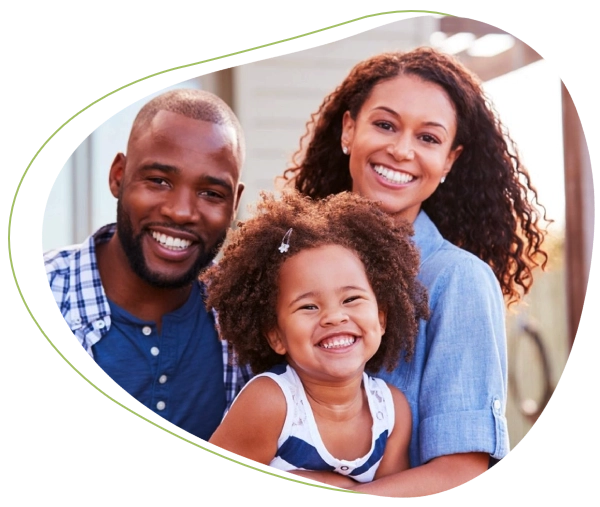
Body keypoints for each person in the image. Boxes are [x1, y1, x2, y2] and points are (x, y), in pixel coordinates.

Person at [279, 47, 550, 497]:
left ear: (449, 159)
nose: (401, 150)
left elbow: (463, 470)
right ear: (349, 130)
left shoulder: (456, 281)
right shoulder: (291, 261)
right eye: (384, 125)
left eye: (428, 138)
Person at [42, 89, 252, 442]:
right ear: (118, 176)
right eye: (159, 181)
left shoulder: (251, 320)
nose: (181, 211)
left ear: (234, 206)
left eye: (211, 193)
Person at [204, 191, 430, 488]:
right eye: (309, 306)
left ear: (381, 318)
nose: (334, 317)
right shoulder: (271, 403)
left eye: (351, 298)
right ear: (276, 336)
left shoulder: (391, 411)